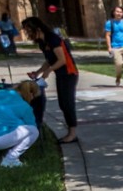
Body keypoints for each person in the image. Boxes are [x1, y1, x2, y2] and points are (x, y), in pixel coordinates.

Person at [21, 16, 79, 144]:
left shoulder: (53, 39)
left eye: (28, 30)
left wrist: (48, 71)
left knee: (67, 104)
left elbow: (62, 60)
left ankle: (72, 134)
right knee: (63, 104)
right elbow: (50, 59)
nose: (27, 33)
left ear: (36, 28)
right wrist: (38, 72)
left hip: (69, 73)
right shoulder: (42, 42)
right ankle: (71, 132)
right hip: (61, 74)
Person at [0, 82, 40, 168]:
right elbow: (32, 124)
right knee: (33, 131)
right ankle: (10, 159)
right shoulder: (25, 106)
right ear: (31, 94)